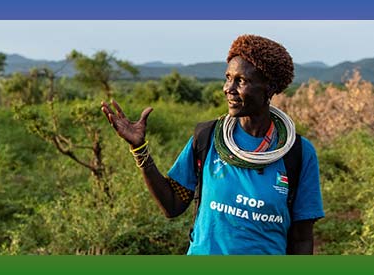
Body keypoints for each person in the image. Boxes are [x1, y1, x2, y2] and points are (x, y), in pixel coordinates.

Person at [101, 34, 323, 255]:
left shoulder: (297, 153)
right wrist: (139, 149)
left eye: (241, 81)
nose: (228, 88)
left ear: (270, 88)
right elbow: (172, 205)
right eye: (228, 78)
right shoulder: (207, 137)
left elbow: (302, 239)